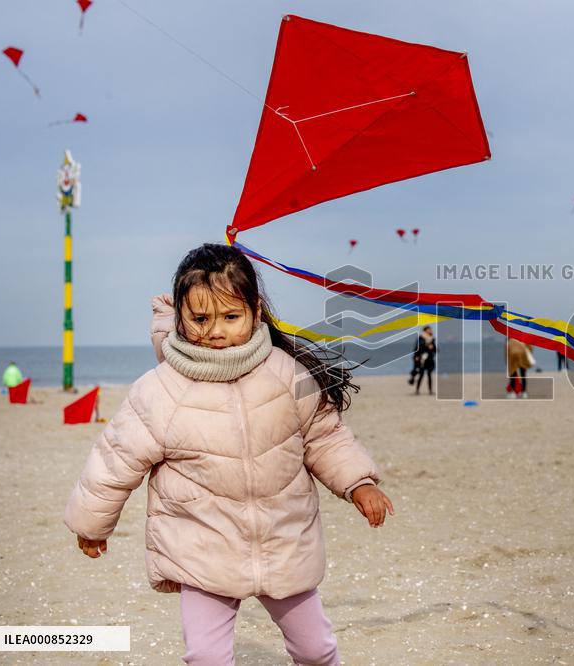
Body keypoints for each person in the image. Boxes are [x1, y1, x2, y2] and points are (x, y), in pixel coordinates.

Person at [63, 244, 394, 666]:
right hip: (204, 548)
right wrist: (92, 524)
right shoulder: (160, 390)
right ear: (180, 317)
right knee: (205, 656)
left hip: (283, 542)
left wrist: (358, 482)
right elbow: (114, 461)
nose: (216, 330)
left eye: (230, 316)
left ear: (256, 312)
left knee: (316, 650)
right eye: (201, 319)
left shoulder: (285, 373)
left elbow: (324, 436)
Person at [413, 326, 436, 395]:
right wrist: (416, 356)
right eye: (429, 329)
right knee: (421, 374)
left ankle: (430, 391)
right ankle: (417, 390)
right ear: (425, 330)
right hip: (422, 359)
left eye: (430, 329)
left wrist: (432, 348)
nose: (431, 330)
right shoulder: (420, 338)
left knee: (429, 375)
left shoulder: (432, 339)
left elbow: (434, 349)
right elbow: (417, 348)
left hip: (430, 359)